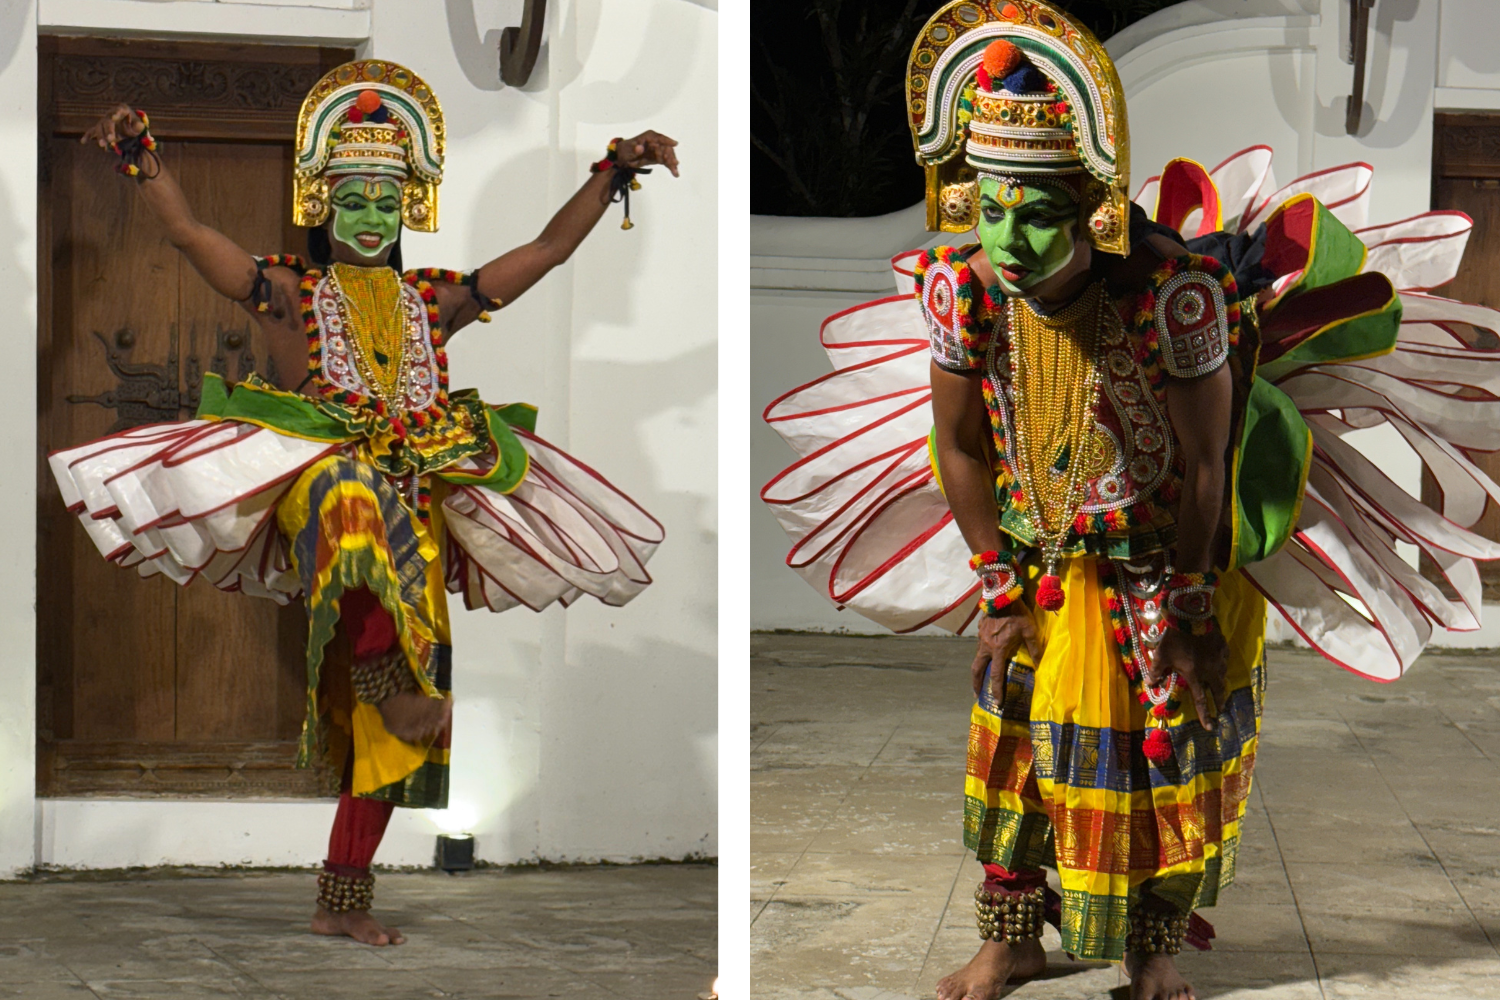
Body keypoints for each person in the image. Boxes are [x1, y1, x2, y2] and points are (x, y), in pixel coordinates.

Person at [761, 3, 1500, 999]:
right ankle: (1014, 936)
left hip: (1170, 561)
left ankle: (1155, 945)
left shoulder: (1174, 297)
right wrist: (995, 579)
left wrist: (1193, 608)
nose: (1012, 237)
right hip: (1039, 558)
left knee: (1169, 749)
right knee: (1017, 751)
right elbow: (960, 442)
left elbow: (1206, 466)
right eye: (993, 207)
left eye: (1037, 211)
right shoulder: (964, 290)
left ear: (1091, 205)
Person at [54, 59, 678, 946]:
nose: (372, 216)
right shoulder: (285, 291)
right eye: (355, 199)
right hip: (321, 490)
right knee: (351, 487)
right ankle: (388, 681)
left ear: (409, 209)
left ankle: (341, 899)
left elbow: (545, 251)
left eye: (388, 202)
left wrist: (611, 171)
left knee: (402, 742)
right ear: (324, 204)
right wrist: (143, 157)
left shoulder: (436, 301)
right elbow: (191, 234)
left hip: (412, 521)